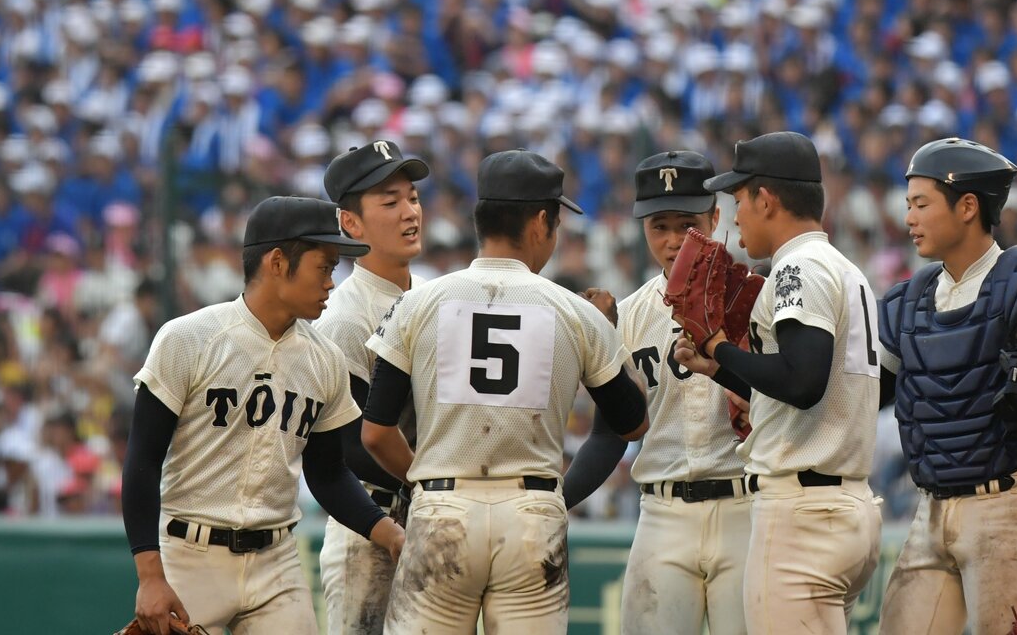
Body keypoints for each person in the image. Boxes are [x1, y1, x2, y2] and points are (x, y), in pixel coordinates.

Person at [360, 149, 650, 635]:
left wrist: (425, 478)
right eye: (555, 223)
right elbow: (633, 422)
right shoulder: (574, 311)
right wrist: (607, 335)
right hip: (530, 513)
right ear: (540, 222)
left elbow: (374, 433)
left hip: (442, 508)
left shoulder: (417, 302)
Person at [121, 196, 406, 635]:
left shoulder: (324, 358)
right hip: (191, 554)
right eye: (324, 266)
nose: (332, 282)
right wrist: (150, 576)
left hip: (277, 563)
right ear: (277, 262)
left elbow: (328, 474)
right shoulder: (188, 338)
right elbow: (142, 462)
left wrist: (389, 535)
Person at [876, 138, 1017, 635]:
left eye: (921, 204)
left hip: (1007, 507)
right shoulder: (909, 300)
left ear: (968, 206)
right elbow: (869, 394)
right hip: (929, 510)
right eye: (908, 204)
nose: (909, 217)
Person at [674, 132, 883, 635]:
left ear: (765, 199)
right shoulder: (845, 269)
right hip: (847, 506)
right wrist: (720, 369)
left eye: (739, 198)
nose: (737, 214)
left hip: (803, 517)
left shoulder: (798, 266)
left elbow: (803, 382)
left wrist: (719, 345)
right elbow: (809, 392)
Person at [563, 150, 750, 635]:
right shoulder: (628, 316)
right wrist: (555, 501)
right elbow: (611, 435)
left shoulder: (757, 299)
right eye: (658, 226)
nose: (673, 241)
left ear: (714, 216)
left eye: (687, 223)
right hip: (663, 512)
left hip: (746, 507)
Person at [317, 140, 431, 635]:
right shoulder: (343, 316)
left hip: (432, 513)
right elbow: (347, 447)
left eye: (413, 198)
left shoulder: (432, 293)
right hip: (369, 525)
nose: (410, 212)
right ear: (351, 223)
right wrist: (432, 482)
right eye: (391, 202)